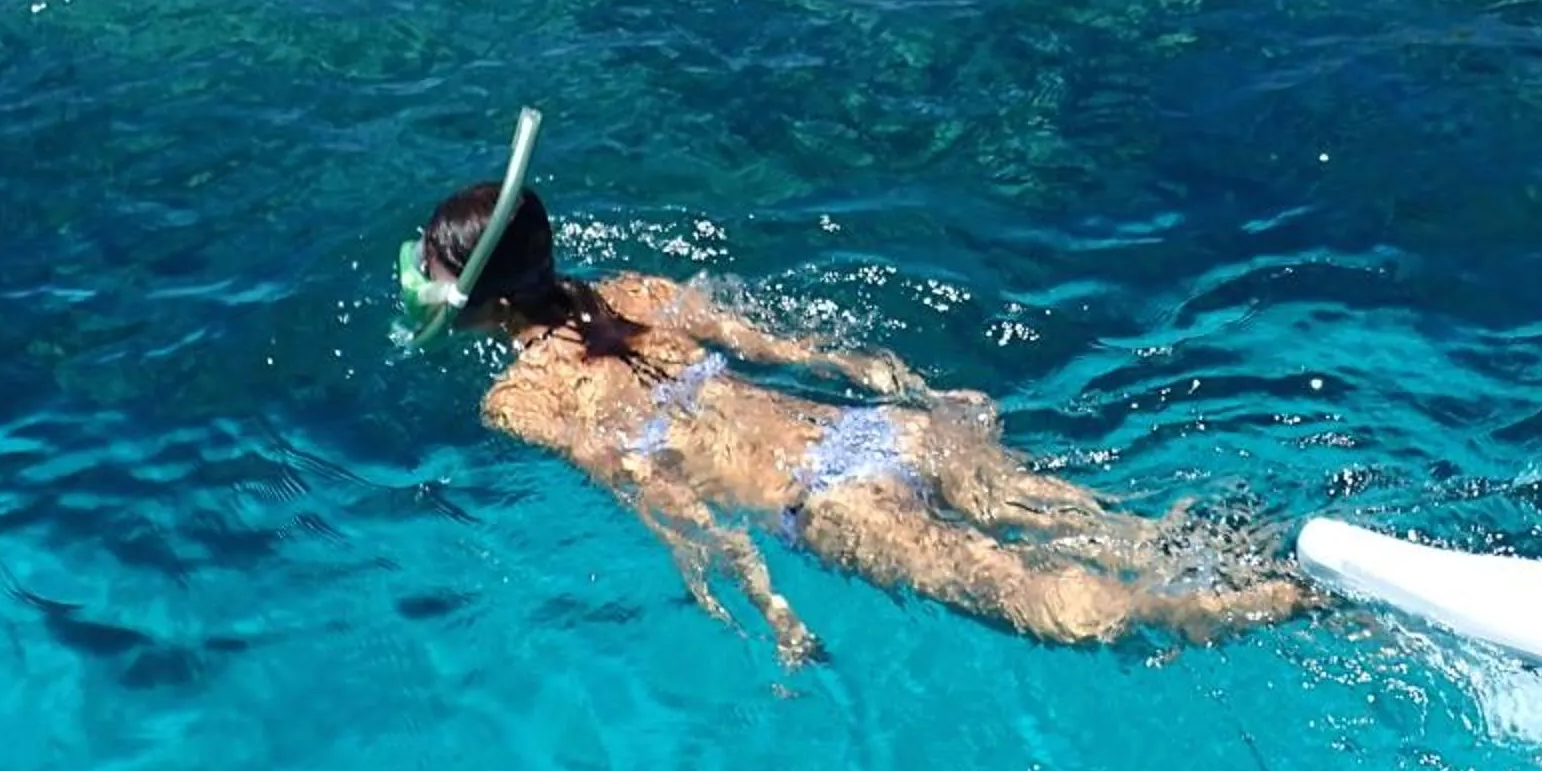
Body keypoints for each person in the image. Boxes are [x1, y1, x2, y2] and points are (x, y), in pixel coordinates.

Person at [405, 174, 1308, 666]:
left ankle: (1237, 608)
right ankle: (1239, 561)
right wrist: (893, 380)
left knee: (1048, 607)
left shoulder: (520, 400)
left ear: (473, 301)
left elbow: (653, 492)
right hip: (877, 432)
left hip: (827, 500)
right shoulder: (636, 292)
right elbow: (790, 345)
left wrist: (763, 606)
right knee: (1105, 524)